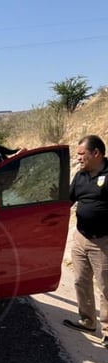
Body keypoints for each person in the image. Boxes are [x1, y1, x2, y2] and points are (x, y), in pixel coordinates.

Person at [64, 134, 108, 346]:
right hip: (81, 237)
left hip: (103, 242)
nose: (78, 158)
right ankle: (88, 321)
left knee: (106, 286)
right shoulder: (80, 176)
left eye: (82, 154)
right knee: (81, 281)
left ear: (96, 153)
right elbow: (68, 200)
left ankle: (107, 331)